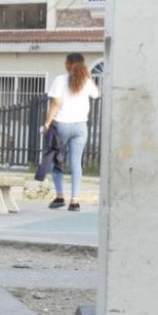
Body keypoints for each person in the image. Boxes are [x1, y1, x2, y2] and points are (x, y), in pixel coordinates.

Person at [42, 53, 100, 212]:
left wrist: (47, 123)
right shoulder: (87, 81)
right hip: (81, 126)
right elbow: (96, 94)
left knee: (57, 161)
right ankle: (74, 201)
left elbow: (56, 103)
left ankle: (60, 196)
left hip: (62, 125)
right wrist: (88, 76)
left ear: (68, 64)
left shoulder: (60, 80)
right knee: (76, 163)